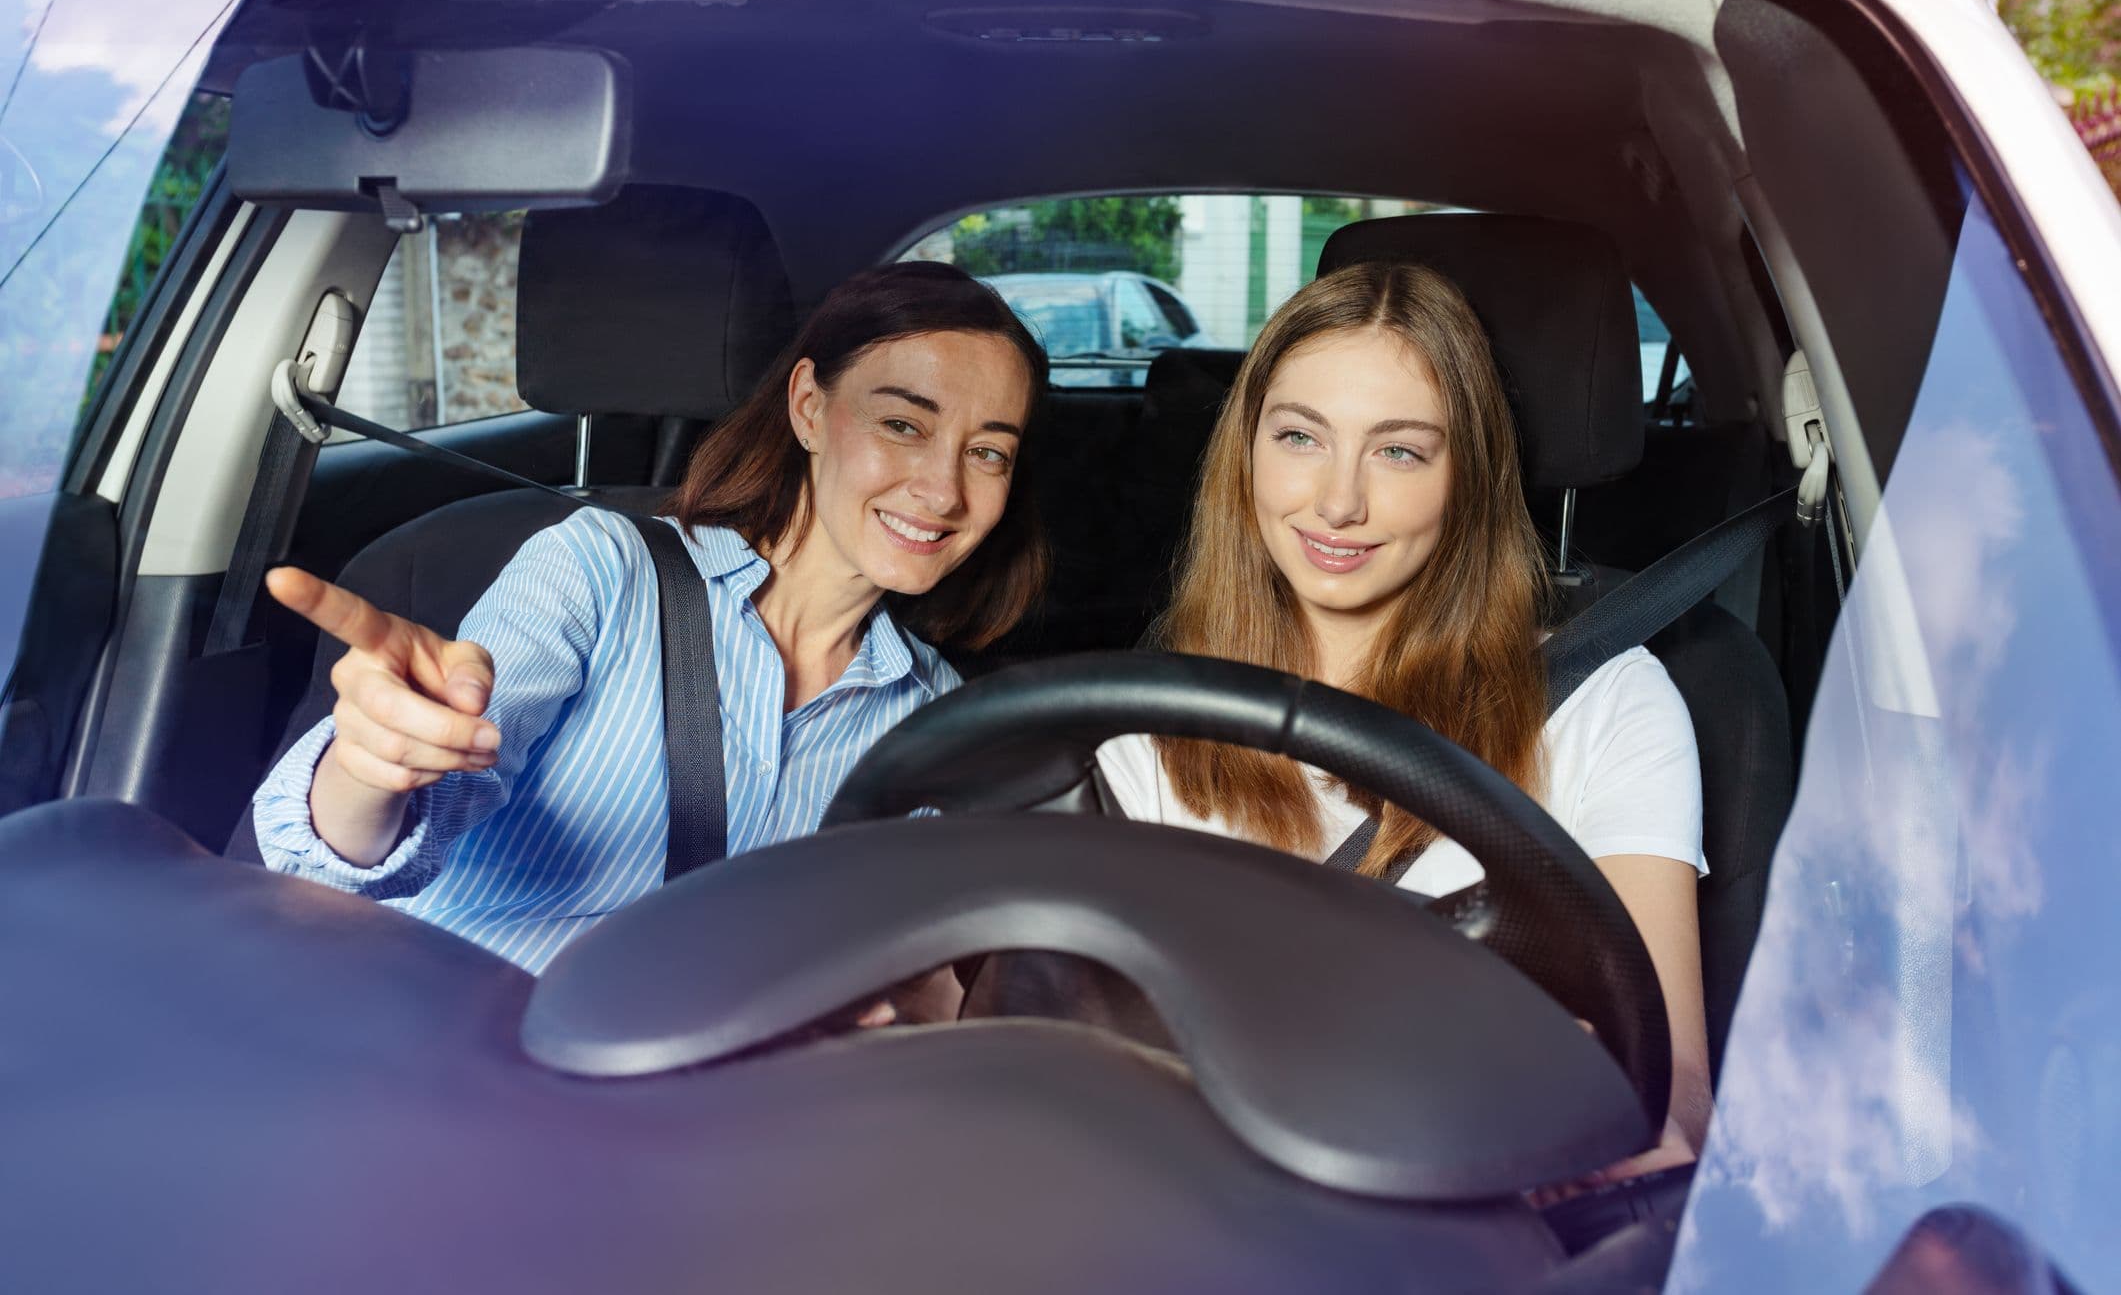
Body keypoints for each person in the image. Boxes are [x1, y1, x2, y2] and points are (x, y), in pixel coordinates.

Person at [253, 262, 1049, 981]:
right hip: (456, 1061)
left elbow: (887, 969)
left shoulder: (933, 710)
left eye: (987, 453)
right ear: (809, 408)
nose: (943, 491)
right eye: (902, 425)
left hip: (712, 1104)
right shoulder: (602, 569)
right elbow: (351, 857)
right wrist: (372, 768)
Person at [1094, 260, 1712, 1184]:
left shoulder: (1602, 703)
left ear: (1467, 475)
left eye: (1398, 451)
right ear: (1246, 450)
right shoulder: (1149, 723)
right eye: (1300, 437)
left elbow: (1672, 1098)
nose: (1338, 502)